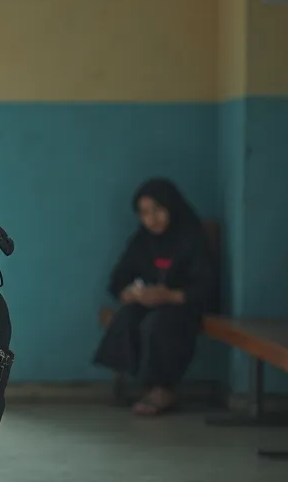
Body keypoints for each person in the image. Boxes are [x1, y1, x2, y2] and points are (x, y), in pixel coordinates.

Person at [93, 177, 219, 416]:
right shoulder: (143, 240)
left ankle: (163, 389)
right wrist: (129, 293)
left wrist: (169, 295)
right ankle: (146, 385)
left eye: (158, 211)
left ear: (172, 207)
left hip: (182, 305)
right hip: (148, 304)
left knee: (157, 324)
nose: (152, 219)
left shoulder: (191, 236)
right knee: (128, 317)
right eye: (144, 213)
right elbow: (119, 279)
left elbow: (205, 287)